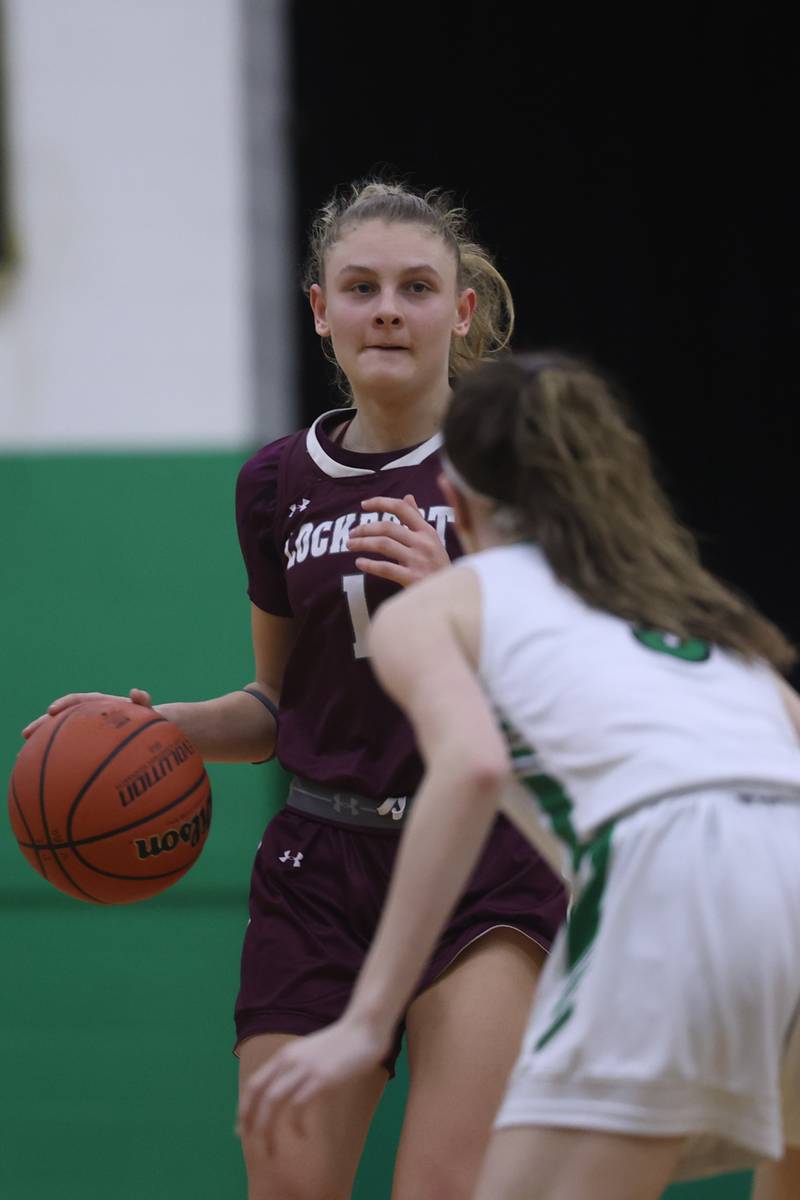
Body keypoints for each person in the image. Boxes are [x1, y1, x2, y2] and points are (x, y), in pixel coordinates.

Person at [22, 185, 567, 1200]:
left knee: (445, 1189)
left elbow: (578, 685)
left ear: (460, 311)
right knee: (287, 1186)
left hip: (483, 854)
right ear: (320, 309)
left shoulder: (517, 469)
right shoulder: (275, 483)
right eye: (360, 288)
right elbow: (276, 708)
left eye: (416, 288)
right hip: (319, 864)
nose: (387, 310)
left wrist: (462, 599)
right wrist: (153, 729)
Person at [238, 352, 800, 1199]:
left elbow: (471, 766)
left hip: (670, 879)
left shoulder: (450, 602)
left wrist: (365, 1020)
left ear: (456, 502)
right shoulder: (688, 611)